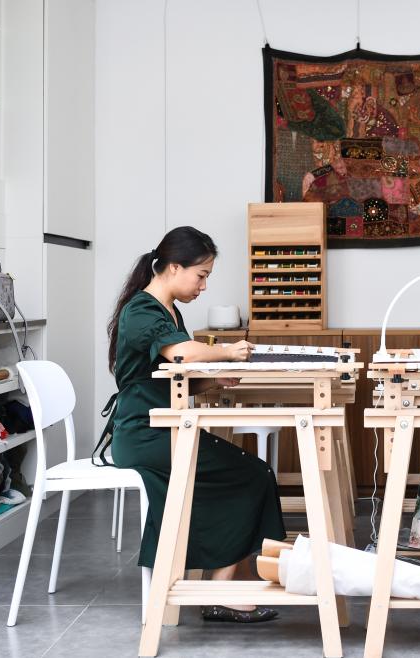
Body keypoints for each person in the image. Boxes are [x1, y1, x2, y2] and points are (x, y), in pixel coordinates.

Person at [106, 226, 286, 623]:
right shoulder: (142, 309)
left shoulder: (168, 310)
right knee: (253, 475)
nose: (203, 286)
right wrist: (226, 352)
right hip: (145, 433)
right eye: (201, 275)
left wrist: (215, 380)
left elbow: (172, 378)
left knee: (250, 474)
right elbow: (182, 356)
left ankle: (223, 583)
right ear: (174, 267)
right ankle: (221, 589)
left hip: (164, 427)